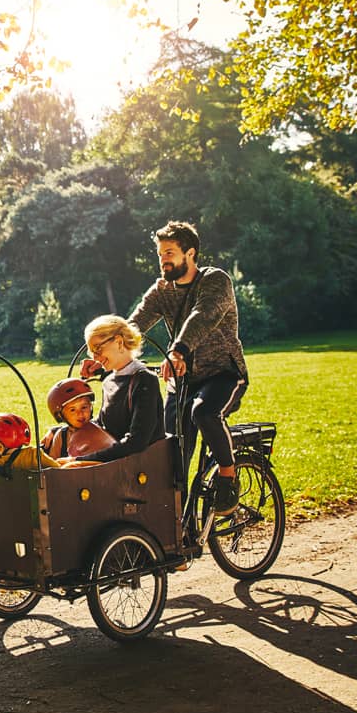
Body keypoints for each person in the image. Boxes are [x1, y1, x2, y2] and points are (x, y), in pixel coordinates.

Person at [121, 220, 248, 516]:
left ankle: (228, 478)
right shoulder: (162, 290)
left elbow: (203, 317)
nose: (163, 259)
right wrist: (104, 350)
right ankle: (179, 532)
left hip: (223, 374)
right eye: (160, 253)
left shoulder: (215, 281)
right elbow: (135, 324)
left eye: (169, 252)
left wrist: (177, 350)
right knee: (170, 458)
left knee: (202, 412)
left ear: (190, 253)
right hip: (183, 382)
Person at [64, 315, 165, 464]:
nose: (95, 357)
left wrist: (81, 460)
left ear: (119, 342)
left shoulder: (144, 380)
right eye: (91, 352)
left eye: (98, 349)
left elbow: (137, 442)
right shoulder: (109, 380)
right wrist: (60, 433)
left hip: (141, 468)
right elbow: (103, 426)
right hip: (117, 463)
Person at [42, 378, 117, 459]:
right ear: (60, 415)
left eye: (84, 407)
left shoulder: (98, 432)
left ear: (90, 407)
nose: (80, 413)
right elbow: (52, 464)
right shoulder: (61, 436)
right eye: (72, 410)